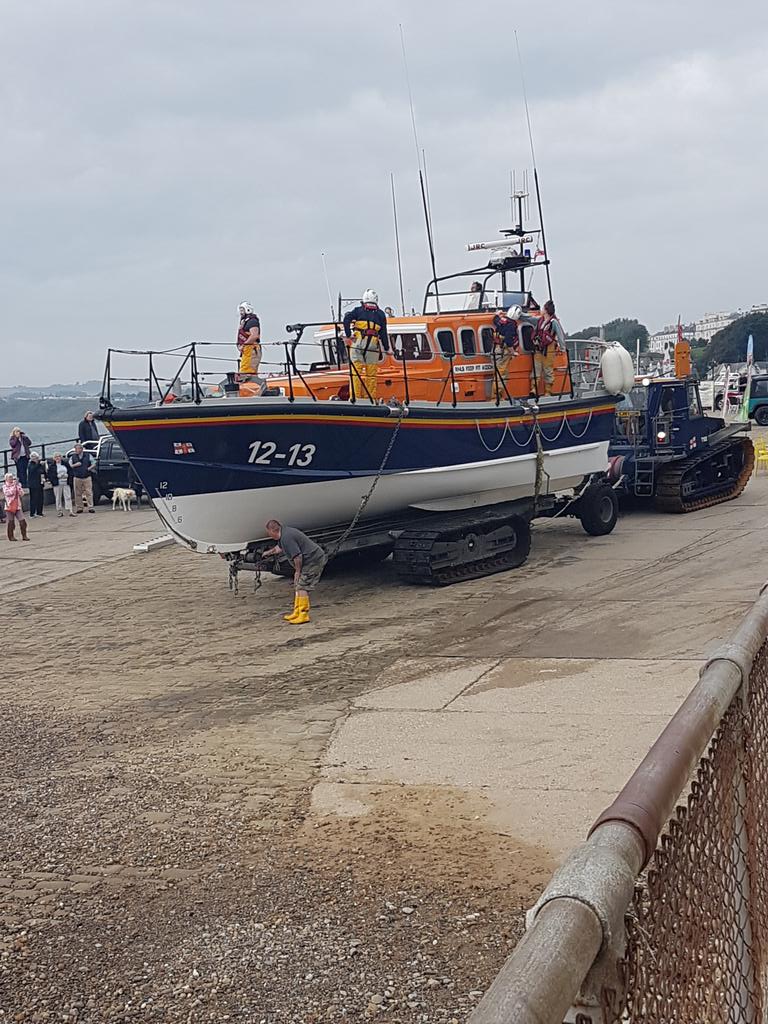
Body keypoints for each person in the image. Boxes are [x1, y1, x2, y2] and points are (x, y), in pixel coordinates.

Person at [262, 520, 327, 625]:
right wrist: (268, 553)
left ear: (273, 530)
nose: (268, 535)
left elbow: (297, 556)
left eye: (268, 533)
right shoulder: (283, 534)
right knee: (297, 585)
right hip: (308, 560)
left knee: (302, 586)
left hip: (313, 560)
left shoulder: (287, 538)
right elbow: (279, 548)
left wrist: (297, 571)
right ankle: (296, 611)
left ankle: (303, 614)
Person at [343, 289, 388, 401]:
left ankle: (355, 398)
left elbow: (346, 319)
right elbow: (383, 333)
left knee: (355, 373)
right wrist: (387, 348)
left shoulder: (358, 311)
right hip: (372, 347)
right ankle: (370, 399)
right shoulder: (381, 314)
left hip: (357, 344)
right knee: (371, 374)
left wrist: (349, 334)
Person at [531, 299, 566, 397]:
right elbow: (528, 318)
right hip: (539, 348)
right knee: (536, 369)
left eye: (543, 308)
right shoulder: (540, 320)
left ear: (546, 310)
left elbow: (560, 335)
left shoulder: (553, 322)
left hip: (549, 349)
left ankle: (548, 391)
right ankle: (533, 389)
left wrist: (563, 350)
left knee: (548, 370)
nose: (541, 310)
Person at [236, 301, 263, 386]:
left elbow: (254, 335)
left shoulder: (252, 321)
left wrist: (244, 345)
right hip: (247, 351)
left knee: (248, 373)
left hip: (251, 350)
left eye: (242, 310)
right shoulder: (245, 321)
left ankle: (251, 388)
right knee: (244, 371)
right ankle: (248, 388)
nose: (241, 312)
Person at [492, 307, 521, 377]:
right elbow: (508, 341)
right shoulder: (511, 325)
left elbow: (495, 320)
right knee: (502, 373)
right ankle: (499, 388)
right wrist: (513, 352)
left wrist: (497, 314)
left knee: (497, 371)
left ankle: (496, 387)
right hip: (503, 351)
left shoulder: (502, 320)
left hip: (496, 349)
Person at [70, 443, 96, 513]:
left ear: (81, 449)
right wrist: (75, 464)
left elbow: (94, 463)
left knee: (89, 492)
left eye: (78, 449)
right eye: (75, 449)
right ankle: (79, 507)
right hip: (77, 477)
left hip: (87, 476)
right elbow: (70, 465)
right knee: (77, 493)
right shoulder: (72, 457)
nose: (76, 450)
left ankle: (90, 507)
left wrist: (89, 468)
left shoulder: (88, 455)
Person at [47, 453, 75, 517]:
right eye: (56, 457)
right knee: (58, 497)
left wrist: (68, 476)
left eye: (59, 456)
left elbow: (71, 472)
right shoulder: (52, 466)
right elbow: (50, 475)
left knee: (68, 496)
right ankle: (59, 511)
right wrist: (57, 477)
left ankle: (70, 510)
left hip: (66, 482)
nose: (57, 458)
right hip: (57, 483)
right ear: (54, 458)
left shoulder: (65, 464)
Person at [3, 473, 29, 541]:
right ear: (6, 479)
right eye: (9, 478)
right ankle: (11, 536)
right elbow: (9, 493)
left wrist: (18, 487)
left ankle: (24, 535)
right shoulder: (5, 486)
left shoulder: (16, 485)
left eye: (12, 477)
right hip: (9, 507)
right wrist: (14, 487)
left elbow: (22, 494)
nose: (11, 479)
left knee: (22, 521)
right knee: (11, 522)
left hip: (17, 506)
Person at [27, 452, 45, 518]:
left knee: (40, 498)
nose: (36, 459)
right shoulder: (30, 464)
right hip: (33, 484)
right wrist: (38, 464)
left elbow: (43, 472)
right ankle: (32, 513)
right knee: (33, 499)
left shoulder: (39, 465)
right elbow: (32, 470)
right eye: (34, 458)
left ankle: (39, 512)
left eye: (37, 458)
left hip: (40, 483)